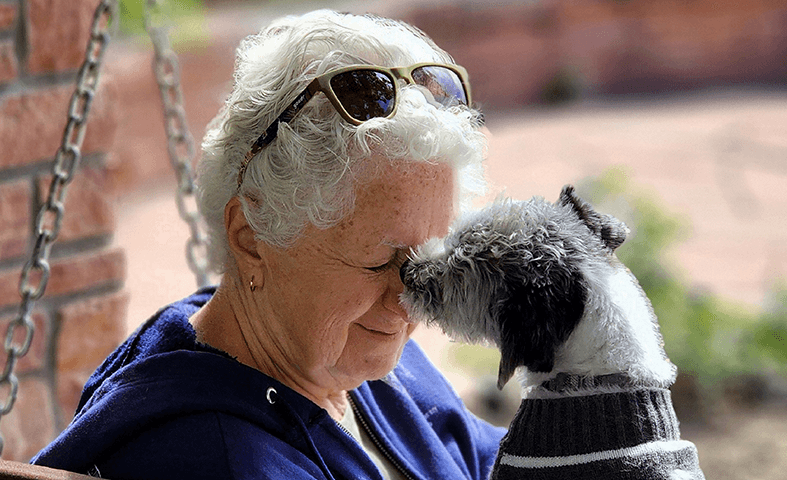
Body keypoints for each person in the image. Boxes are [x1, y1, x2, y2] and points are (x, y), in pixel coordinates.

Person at [32, 9, 505, 480]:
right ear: (251, 236)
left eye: (427, 262)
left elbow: (492, 458)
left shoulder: (343, 351)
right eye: (378, 260)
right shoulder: (216, 459)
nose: (409, 302)